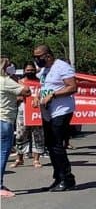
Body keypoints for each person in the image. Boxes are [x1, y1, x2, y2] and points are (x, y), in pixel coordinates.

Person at [32, 45, 78, 192]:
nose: (36, 60)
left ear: (48, 55)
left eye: (39, 57)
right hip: (48, 112)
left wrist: (53, 95)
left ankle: (67, 178)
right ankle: (58, 177)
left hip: (61, 110)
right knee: (50, 145)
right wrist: (37, 96)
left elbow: (72, 87)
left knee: (57, 145)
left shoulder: (61, 67)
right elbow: (45, 87)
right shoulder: (45, 69)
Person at [0, 57, 31, 197]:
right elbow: (26, 91)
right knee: (3, 153)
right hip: (5, 119)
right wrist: (16, 79)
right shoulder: (6, 81)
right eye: (9, 65)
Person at [12, 62, 45, 169]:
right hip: (23, 112)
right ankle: (19, 158)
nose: (30, 72)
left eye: (32, 70)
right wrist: (23, 98)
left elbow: (44, 95)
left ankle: (36, 160)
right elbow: (15, 97)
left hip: (37, 113)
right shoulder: (20, 82)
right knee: (20, 135)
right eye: (28, 70)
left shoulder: (40, 82)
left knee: (38, 136)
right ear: (24, 71)